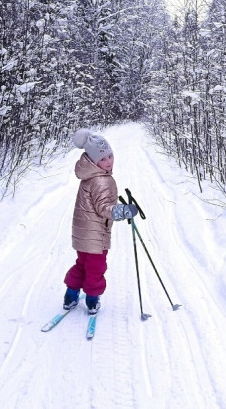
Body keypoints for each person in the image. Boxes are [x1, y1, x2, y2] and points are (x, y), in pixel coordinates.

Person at [63, 128, 137, 315]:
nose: (108, 161)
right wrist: (122, 211)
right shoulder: (102, 181)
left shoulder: (90, 175)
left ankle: (71, 295)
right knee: (96, 268)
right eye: (103, 159)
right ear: (94, 161)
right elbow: (104, 208)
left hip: (83, 234)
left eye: (110, 156)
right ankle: (92, 300)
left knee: (82, 264)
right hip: (95, 235)